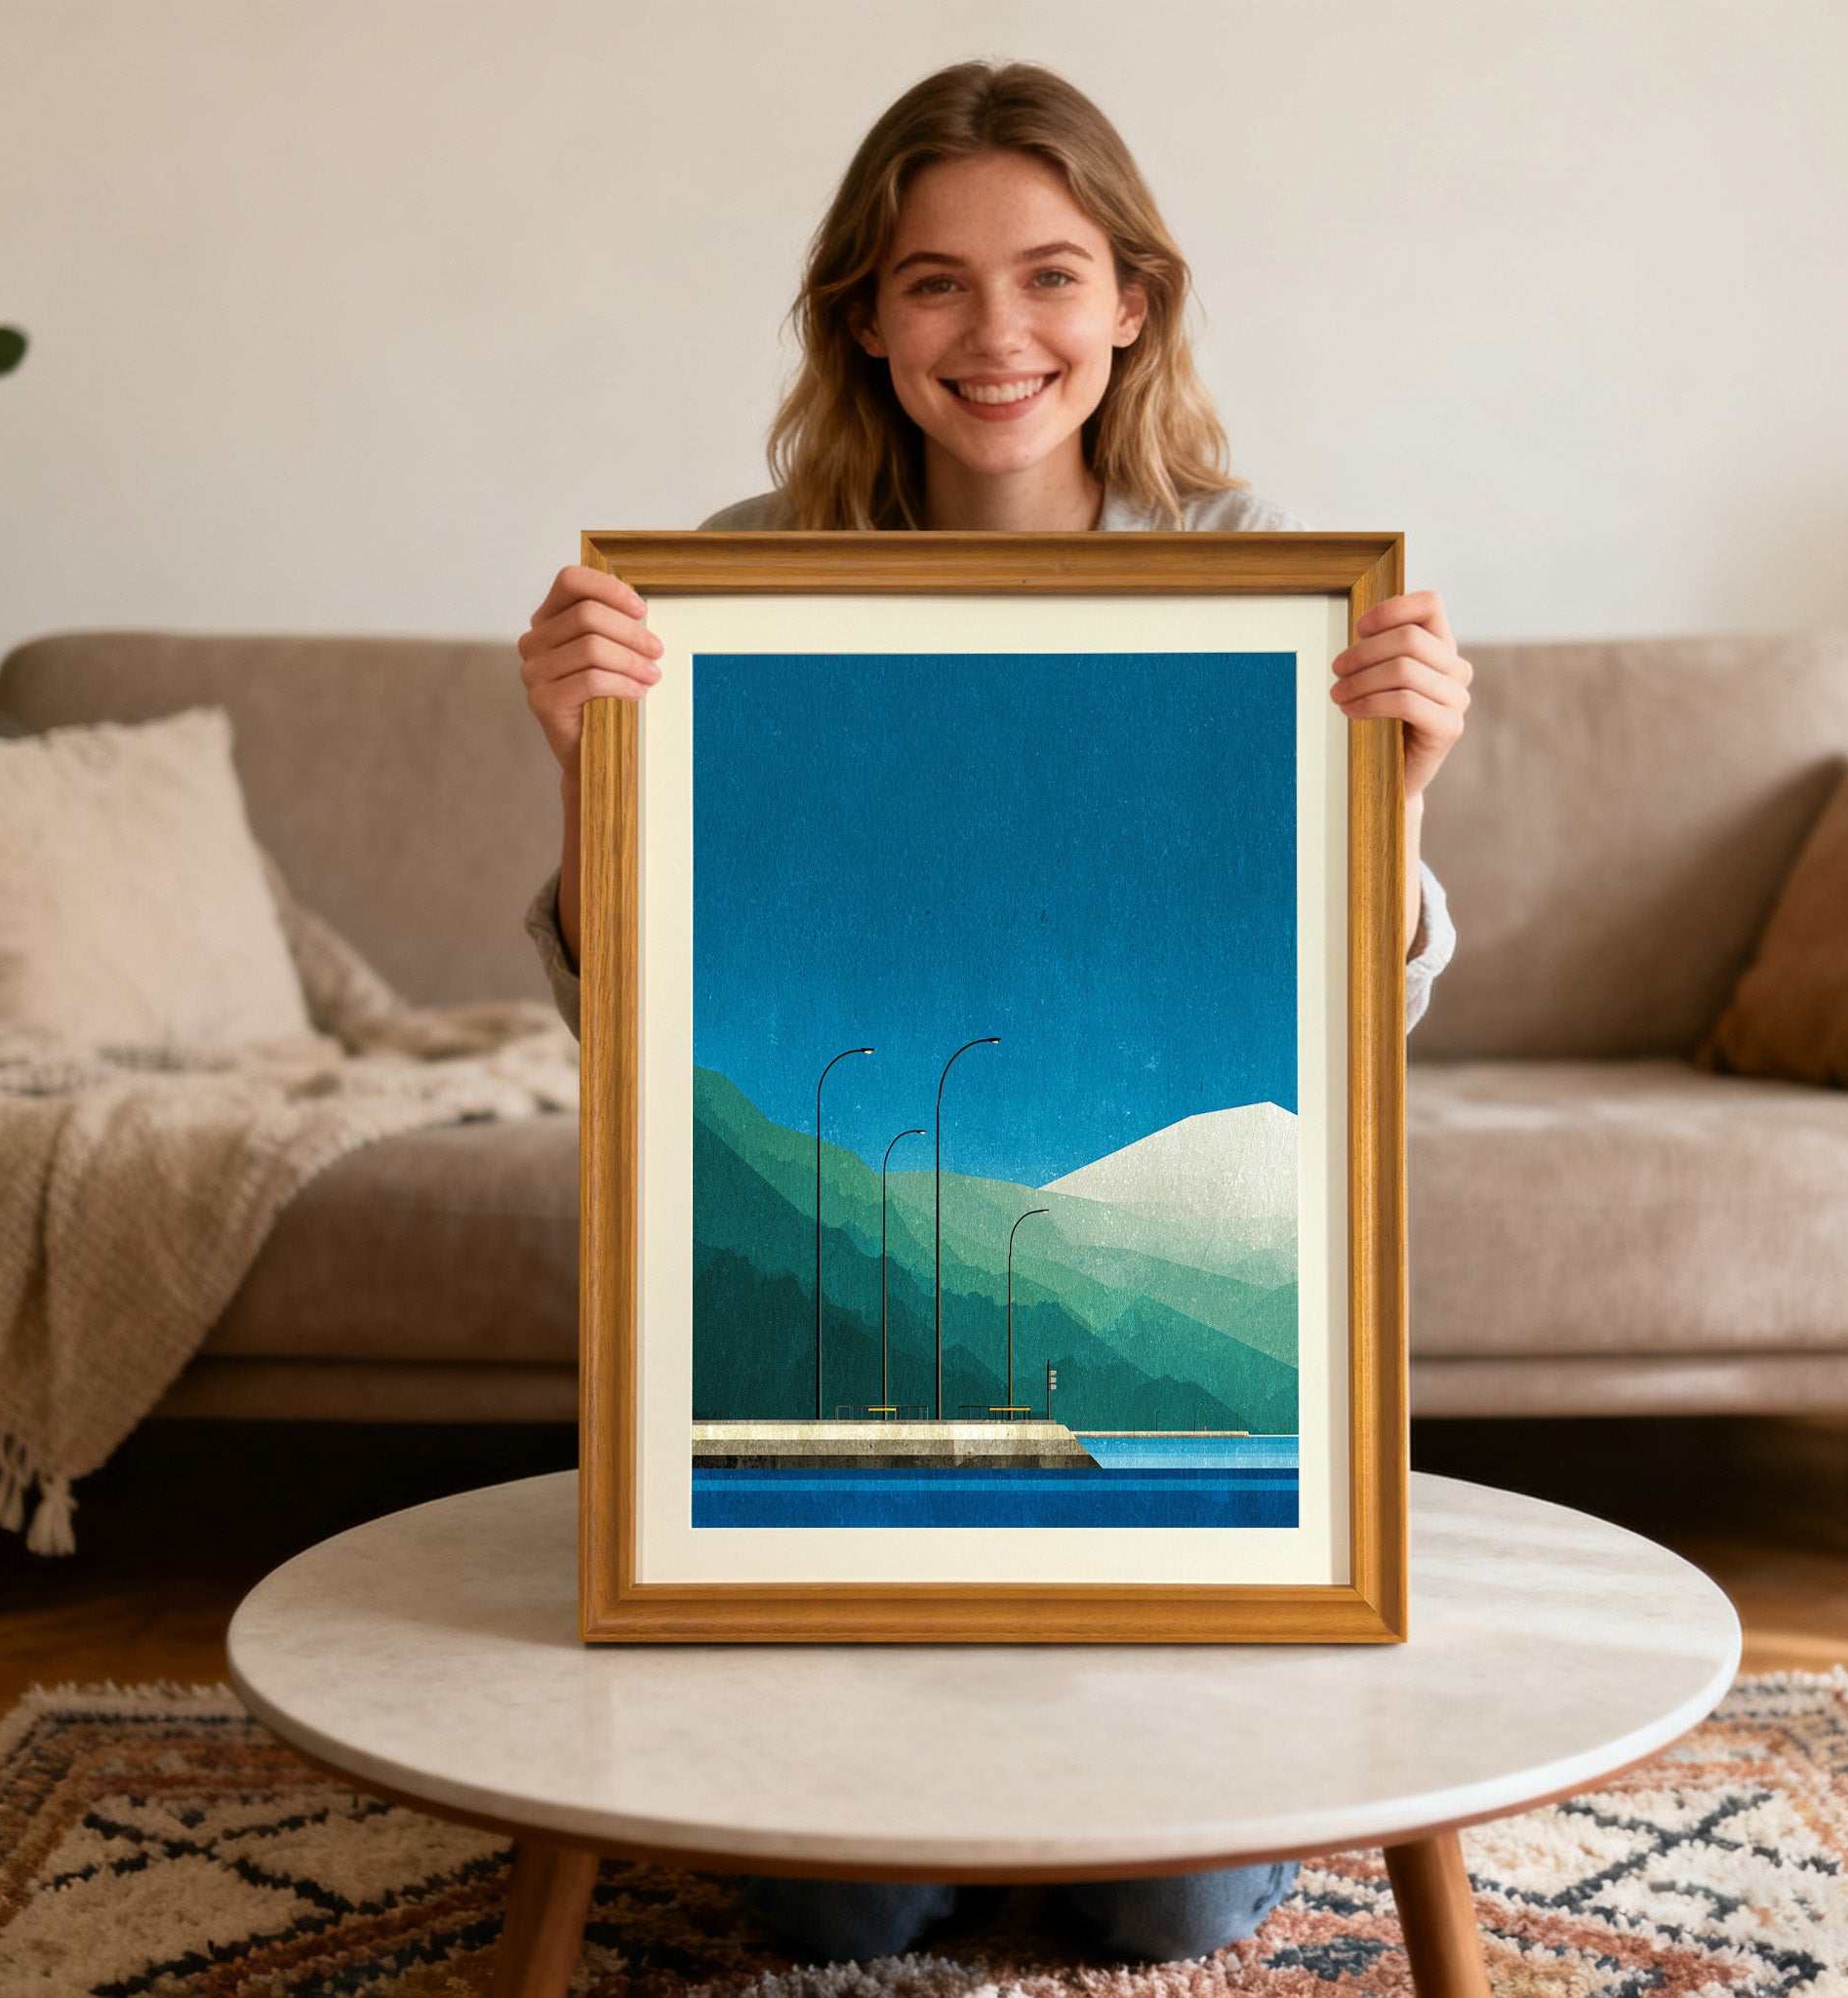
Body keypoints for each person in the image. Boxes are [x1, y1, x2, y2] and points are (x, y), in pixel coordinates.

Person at [515, 60, 1469, 1967]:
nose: (995, 331)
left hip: (1164, 1520)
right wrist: (580, 764)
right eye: (932, 281)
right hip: (818, 1497)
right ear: (864, 317)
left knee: (1151, 1910)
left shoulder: (1250, 573)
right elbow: (632, 1024)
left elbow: (1347, 1023)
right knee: (833, 1904)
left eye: (1048, 273)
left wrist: (1406, 795)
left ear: (1133, 299)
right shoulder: (742, 576)